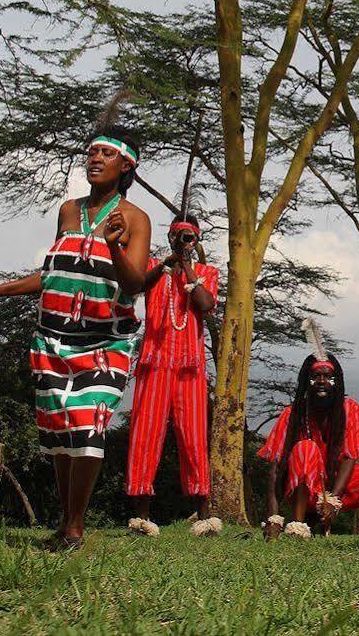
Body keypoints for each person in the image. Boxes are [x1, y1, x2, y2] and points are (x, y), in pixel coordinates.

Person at [0, 126, 155, 553]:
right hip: (53, 338)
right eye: (91, 152)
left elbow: (135, 284)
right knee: (59, 434)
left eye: (105, 154)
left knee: (88, 426)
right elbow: (53, 273)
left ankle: (74, 526)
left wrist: (114, 247)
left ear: (126, 165)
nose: (94, 159)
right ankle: (64, 521)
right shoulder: (68, 211)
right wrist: (0, 290)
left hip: (105, 342)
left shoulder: (134, 218)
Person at [125, 214, 221, 536]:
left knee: (194, 437)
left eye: (189, 237)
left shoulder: (207, 272)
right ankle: (141, 516)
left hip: (189, 368)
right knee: (145, 434)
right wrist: (167, 264)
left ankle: (204, 514)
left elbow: (206, 305)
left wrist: (188, 269)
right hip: (154, 363)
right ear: (168, 238)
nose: (183, 241)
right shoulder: (154, 266)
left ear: (197, 240)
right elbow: (137, 286)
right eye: (178, 236)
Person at [261, 347, 359, 539]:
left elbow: (350, 458)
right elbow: (275, 469)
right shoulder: (292, 414)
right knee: (306, 448)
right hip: (303, 490)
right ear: (306, 380)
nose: (321, 381)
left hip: (339, 491)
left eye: (328, 377)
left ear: (338, 382)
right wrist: (273, 517)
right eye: (316, 376)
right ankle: (298, 527)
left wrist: (331, 501)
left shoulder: (351, 410)